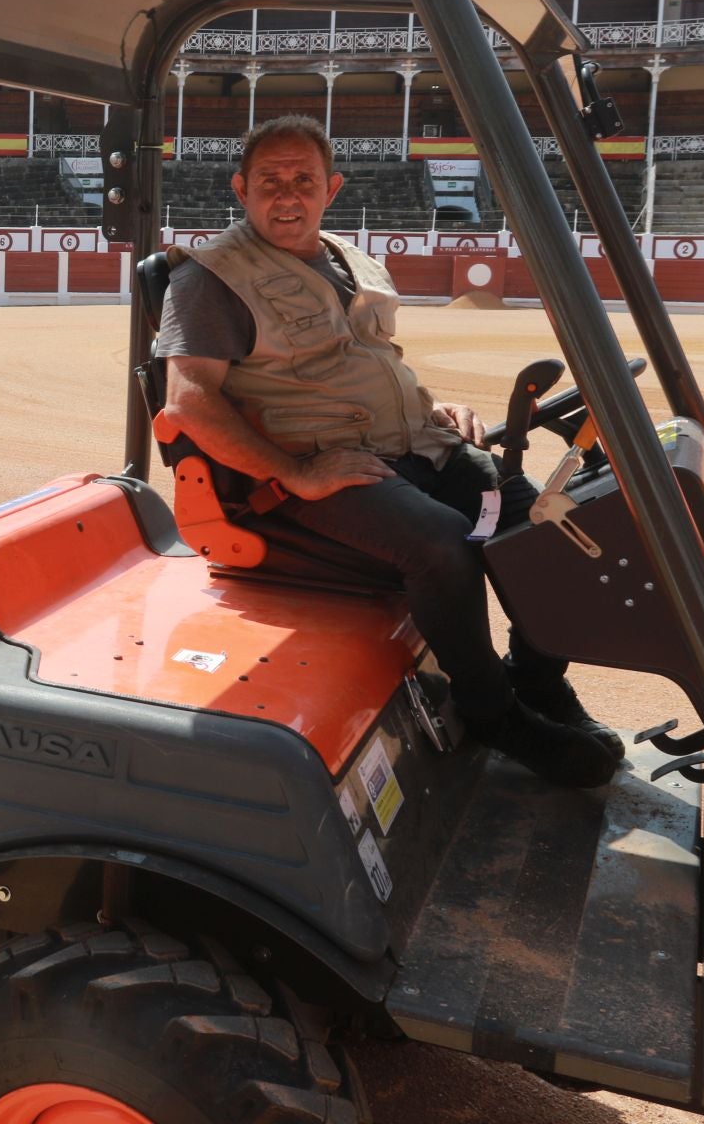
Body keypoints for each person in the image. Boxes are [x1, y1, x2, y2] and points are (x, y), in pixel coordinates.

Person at [157, 115, 621, 789]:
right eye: (269, 182)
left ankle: (538, 681)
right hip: (316, 472)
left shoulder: (350, 260)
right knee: (441, 541)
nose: (287, 196)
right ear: (241, 189)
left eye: (303, 181)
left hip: (417, 445)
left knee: (538, 519)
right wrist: (298, 473)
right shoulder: (213, 278)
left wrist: (430, 411)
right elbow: (188, 400)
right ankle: (490, 710)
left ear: (331, 188)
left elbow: (368, 364)